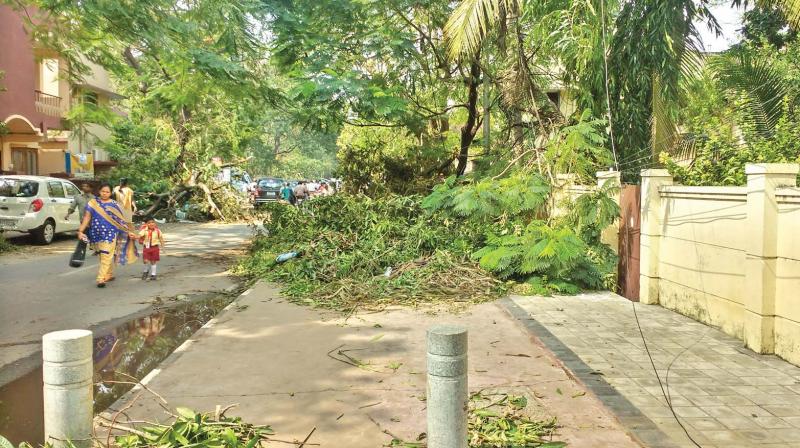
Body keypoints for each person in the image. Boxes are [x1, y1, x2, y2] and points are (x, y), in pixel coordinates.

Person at [77, 183, 139, 288]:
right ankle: (109, 274)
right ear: (99, 191)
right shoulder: (92, 203)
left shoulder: (115, 204)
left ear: (110, 193)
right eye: (103, 191)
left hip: (110, 234)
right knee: (102, 255)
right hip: (95, 233)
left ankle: (100, 278)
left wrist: (129, 232)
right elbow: (87, 218)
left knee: (106, 254)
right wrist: (80, 231)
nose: (105, 193)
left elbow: (121, 221)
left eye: (107, 192)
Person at [66, 182, 98, 255]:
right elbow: (72, 207)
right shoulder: (78, 197)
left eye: (86, 186)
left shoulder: (94, 199)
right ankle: (82, 251)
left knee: (93, 236)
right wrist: (68, 214)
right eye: (83, 186)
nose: (84, 187)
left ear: (91, 188)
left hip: (93, 221)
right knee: (83, 236)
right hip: (83, 221)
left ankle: (96, 249)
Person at [138, 216, 165, 281]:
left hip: (155, 247)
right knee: (145, 261)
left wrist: (162, 246)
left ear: (155, 223)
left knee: (153, 261)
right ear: (146, 224)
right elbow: (139, 235)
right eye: (149, 223)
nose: (151, 224)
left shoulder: (158, 231)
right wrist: (134, 236)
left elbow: (161, 238)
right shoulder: (144, 230)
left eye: (153, 222)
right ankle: (146, 270)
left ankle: (153, 274)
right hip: (146, 248)